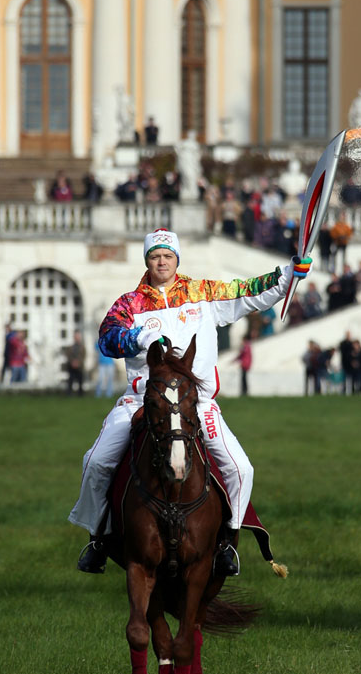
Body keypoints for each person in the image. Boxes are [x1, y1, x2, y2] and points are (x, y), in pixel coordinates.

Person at [69, 227, 312, 576]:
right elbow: (107, 340)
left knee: (241, 468)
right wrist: (139, 336)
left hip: (196, 404)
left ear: (177, 259)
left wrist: (289, 274)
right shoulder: (130, 304)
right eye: (155, 256)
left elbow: (250, 292)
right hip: (142, 401)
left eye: (167, 255)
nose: (161, 261)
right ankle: (98, 538)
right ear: (147, 261)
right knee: (95, 462)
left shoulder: (203, 294)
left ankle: (228, 544)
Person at [65, 330, 85, 396]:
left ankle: (80, 394)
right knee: (70, 380)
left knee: (80, 381)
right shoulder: (71, 347)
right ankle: (69, 393)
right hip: (71, 366)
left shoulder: (82, 347)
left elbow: (83, 356)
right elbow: (68, 355)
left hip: (79, 367)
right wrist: (72, 362)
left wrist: (78, 362)